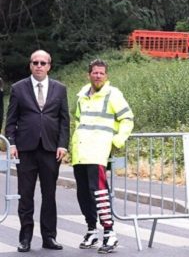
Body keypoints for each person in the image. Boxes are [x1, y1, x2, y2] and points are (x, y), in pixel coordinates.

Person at [6, 50, 70, 252]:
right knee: (25, 195)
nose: (39, 66)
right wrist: (12, 144)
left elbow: (64, 121)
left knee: (49, 195)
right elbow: (11, 121)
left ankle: (49, 237)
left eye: (43, 62)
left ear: (49, 65)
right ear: (30, 65)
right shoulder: (18, 88)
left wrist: (62, 144)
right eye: (35, 62)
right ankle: (25, 238)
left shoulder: (60, 89)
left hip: (51, 150)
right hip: (26, 149)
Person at [70, 59, 134, 254]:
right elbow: (79, 121)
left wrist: (117, 141)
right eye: (95, 72)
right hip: (79, 152)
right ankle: (91, 230)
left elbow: (127, 119)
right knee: (83, 194)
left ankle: (109, 233)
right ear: (88, 74)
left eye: (101, 73)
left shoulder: (113, 94)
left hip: (98, 151)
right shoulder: (82, 95)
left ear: (106, 76)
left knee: (99, 193)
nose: (98, 76)